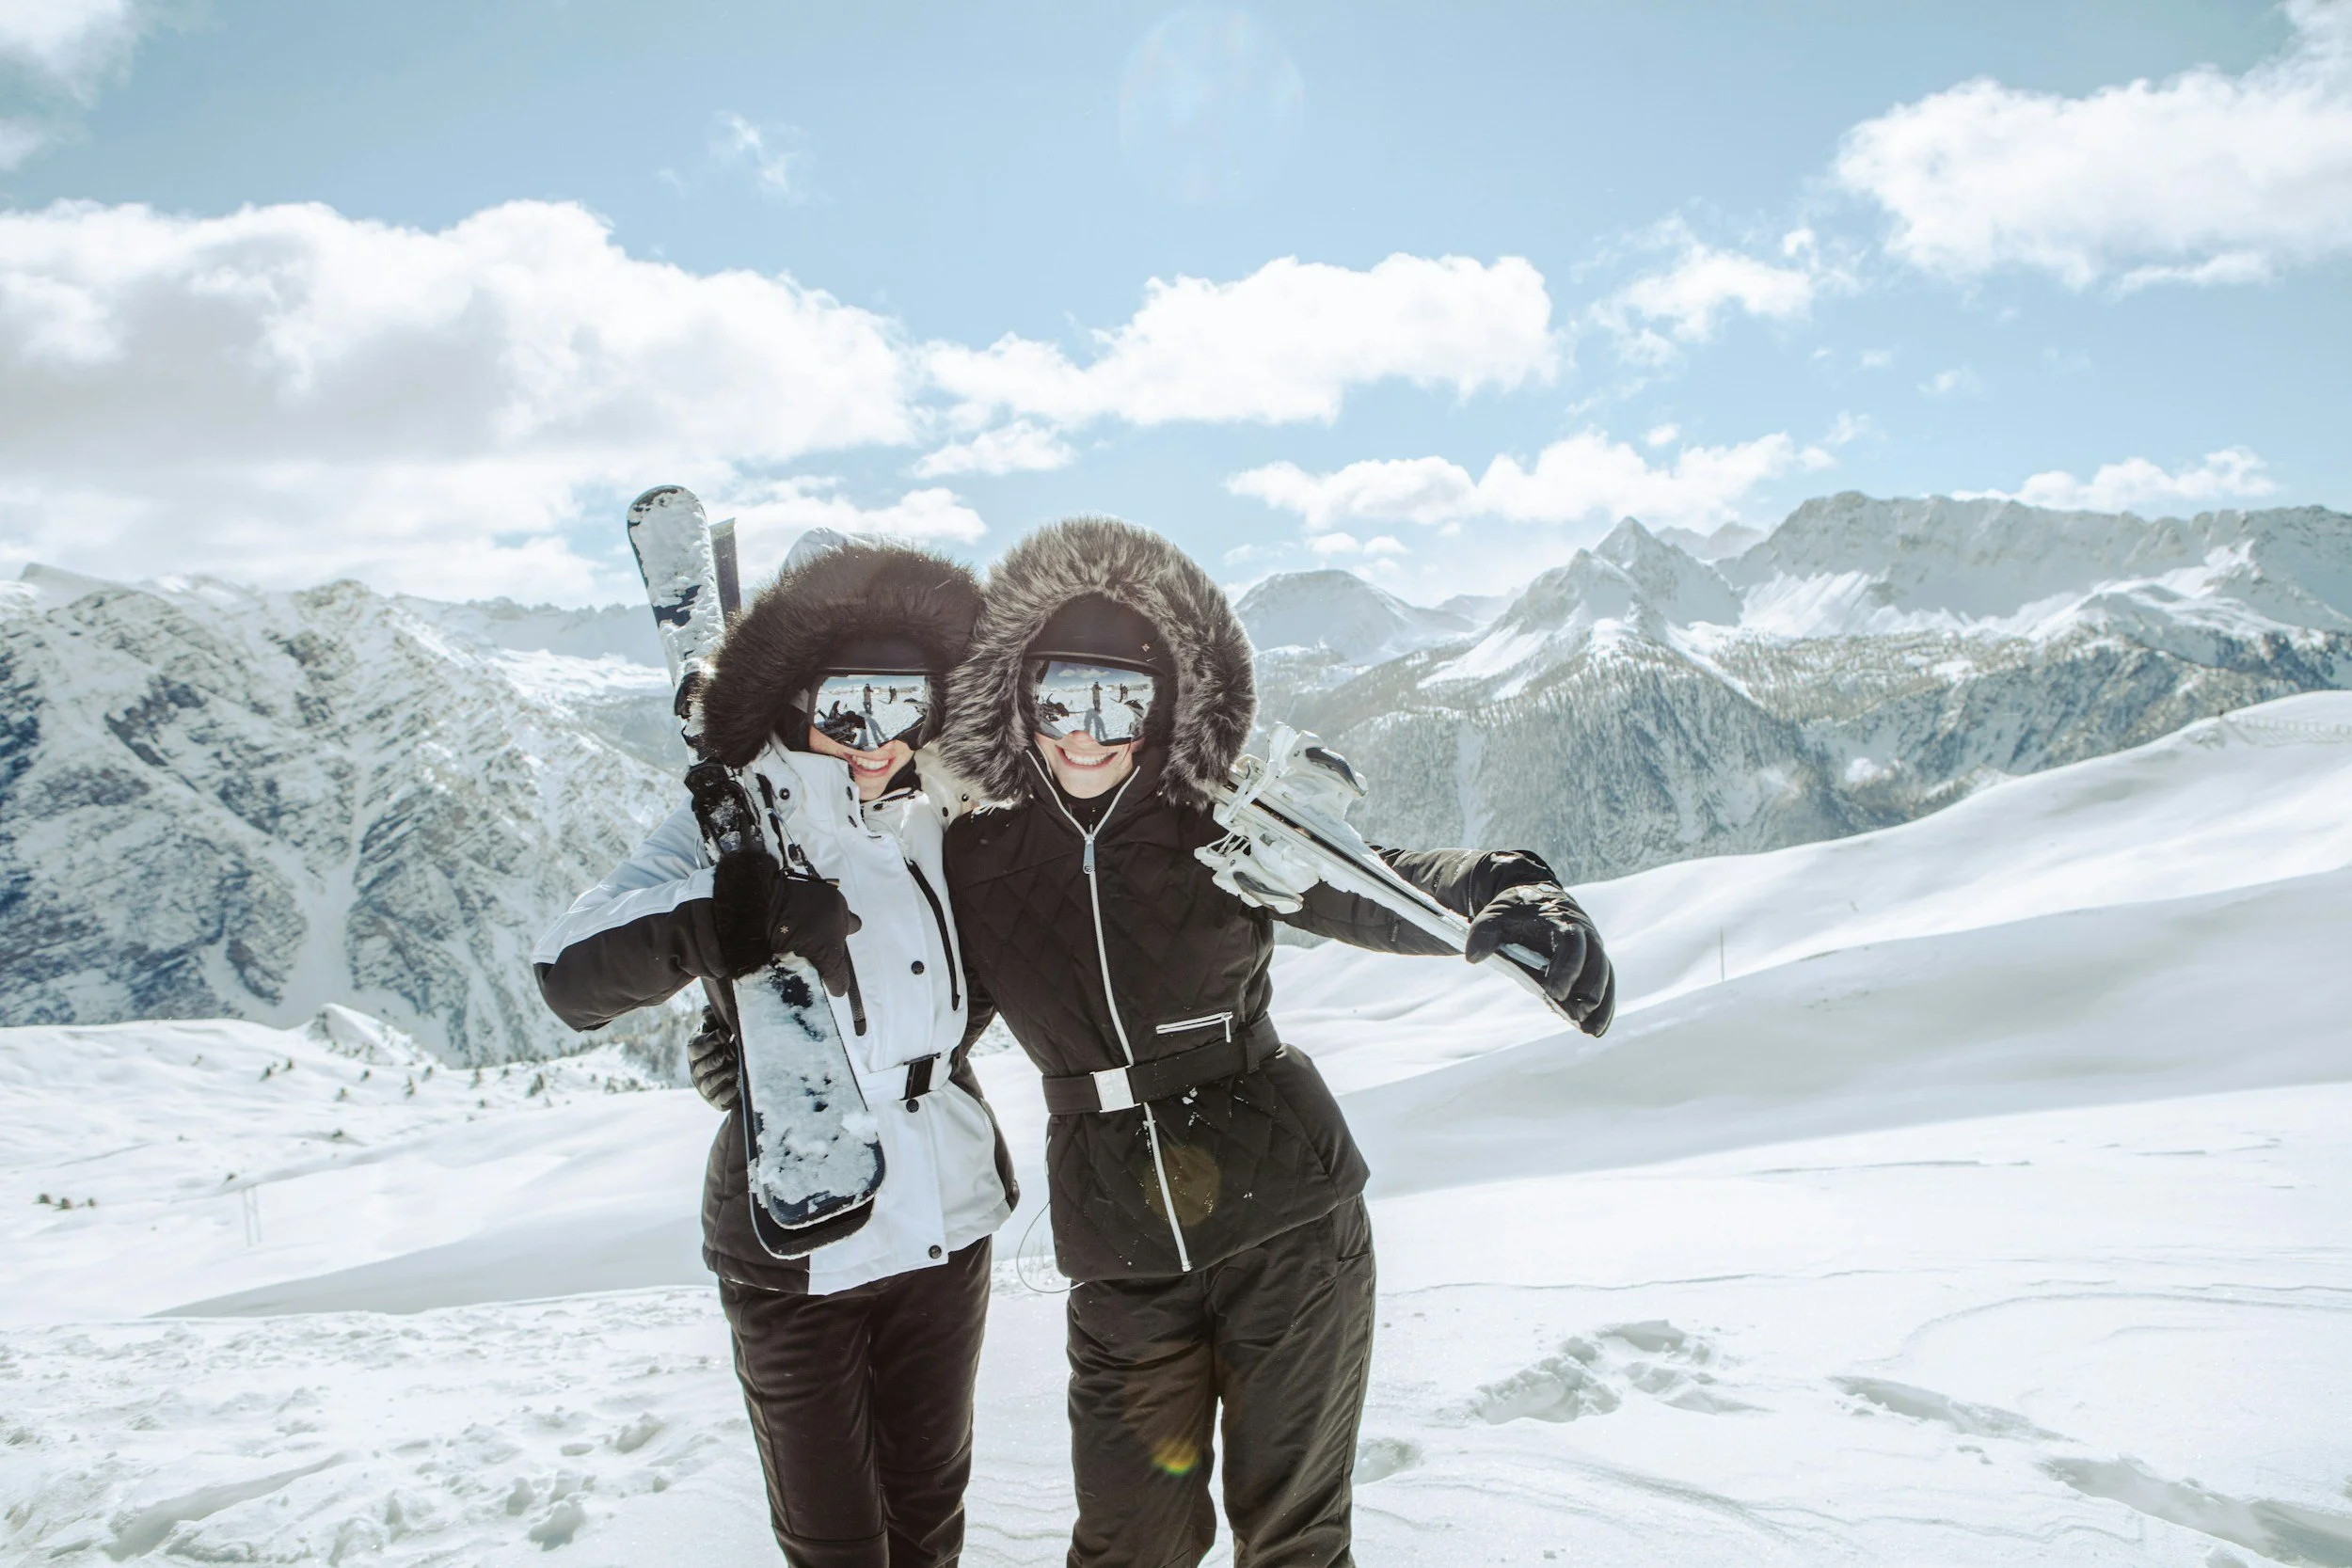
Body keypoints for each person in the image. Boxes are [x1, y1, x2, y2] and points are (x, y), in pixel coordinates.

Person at [938, 516, 1613, 1568]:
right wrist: (751, 1038)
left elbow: (1375, 882)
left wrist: (1507, 886)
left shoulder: (1218, 816)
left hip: (1288, 1221)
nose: (1085, 730)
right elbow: (915, 1014)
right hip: (1120, 1243)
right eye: (1057, 696)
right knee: (1128, 1544)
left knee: (1292, 1539)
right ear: (1014, 697)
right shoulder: (975, 856)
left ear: (1165, 704)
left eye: (1119, 698)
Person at [533, 540, 1017, 1568]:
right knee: (836, 1541)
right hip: (794, 1233)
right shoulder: (725, 823)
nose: (878, 739)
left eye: (907, 707)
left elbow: (968, 980)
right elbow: (567, 973)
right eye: (850, 709)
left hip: (947, 1214)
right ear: (795, 696)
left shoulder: (946, 813)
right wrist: (723, 921)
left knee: (929, 1518)